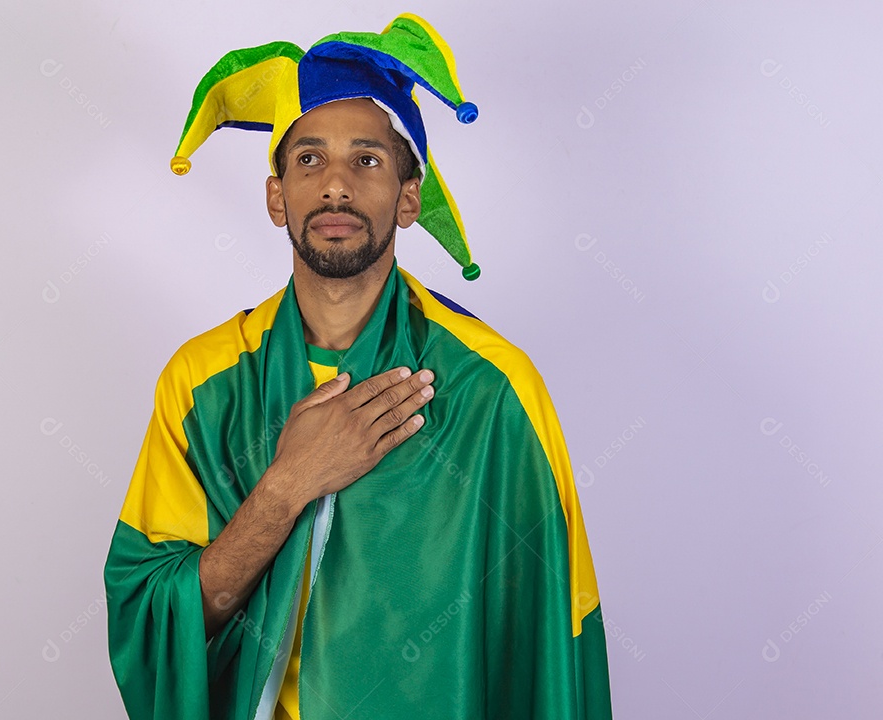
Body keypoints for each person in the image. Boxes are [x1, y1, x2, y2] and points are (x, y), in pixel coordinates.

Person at [104, 13, 613, 720]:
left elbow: (554, 636)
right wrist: (286, 486)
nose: (335, 186)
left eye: (366, 160)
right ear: (276, 195)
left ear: (410, 197)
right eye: (309, 159)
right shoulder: (202, 382)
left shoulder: (495, 389)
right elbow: (153, 622)